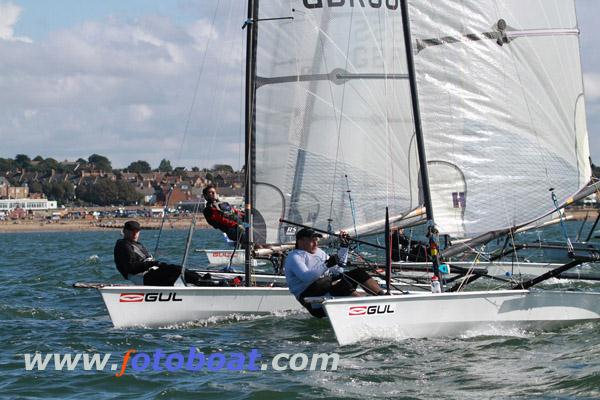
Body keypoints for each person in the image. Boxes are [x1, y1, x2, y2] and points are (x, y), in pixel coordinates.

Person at [284, 228, 386, 318]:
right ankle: (366, 309)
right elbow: (306, 277)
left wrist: (344, 246)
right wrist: (326, 265)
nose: (315, 243)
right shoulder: (294, 257)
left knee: (358, 273)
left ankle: (383, 298)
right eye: (312, 240)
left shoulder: (319, 252)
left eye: (316, 240)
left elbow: (339, 268)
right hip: (311, 300)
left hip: (325, 289)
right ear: (300, 241)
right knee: (340, 284)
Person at [114, 220, 205, 286]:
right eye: (131, 231)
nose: (135, 234)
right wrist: (152, 263)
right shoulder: (123, 245)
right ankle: (202, 282)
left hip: (149, 274)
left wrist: (155, 264)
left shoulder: (136, 244)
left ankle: (202, 280)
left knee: (177, 269)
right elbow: (131, 268)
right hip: (142, 278)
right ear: (125, 231)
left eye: (137, 231)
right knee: (176, 270)